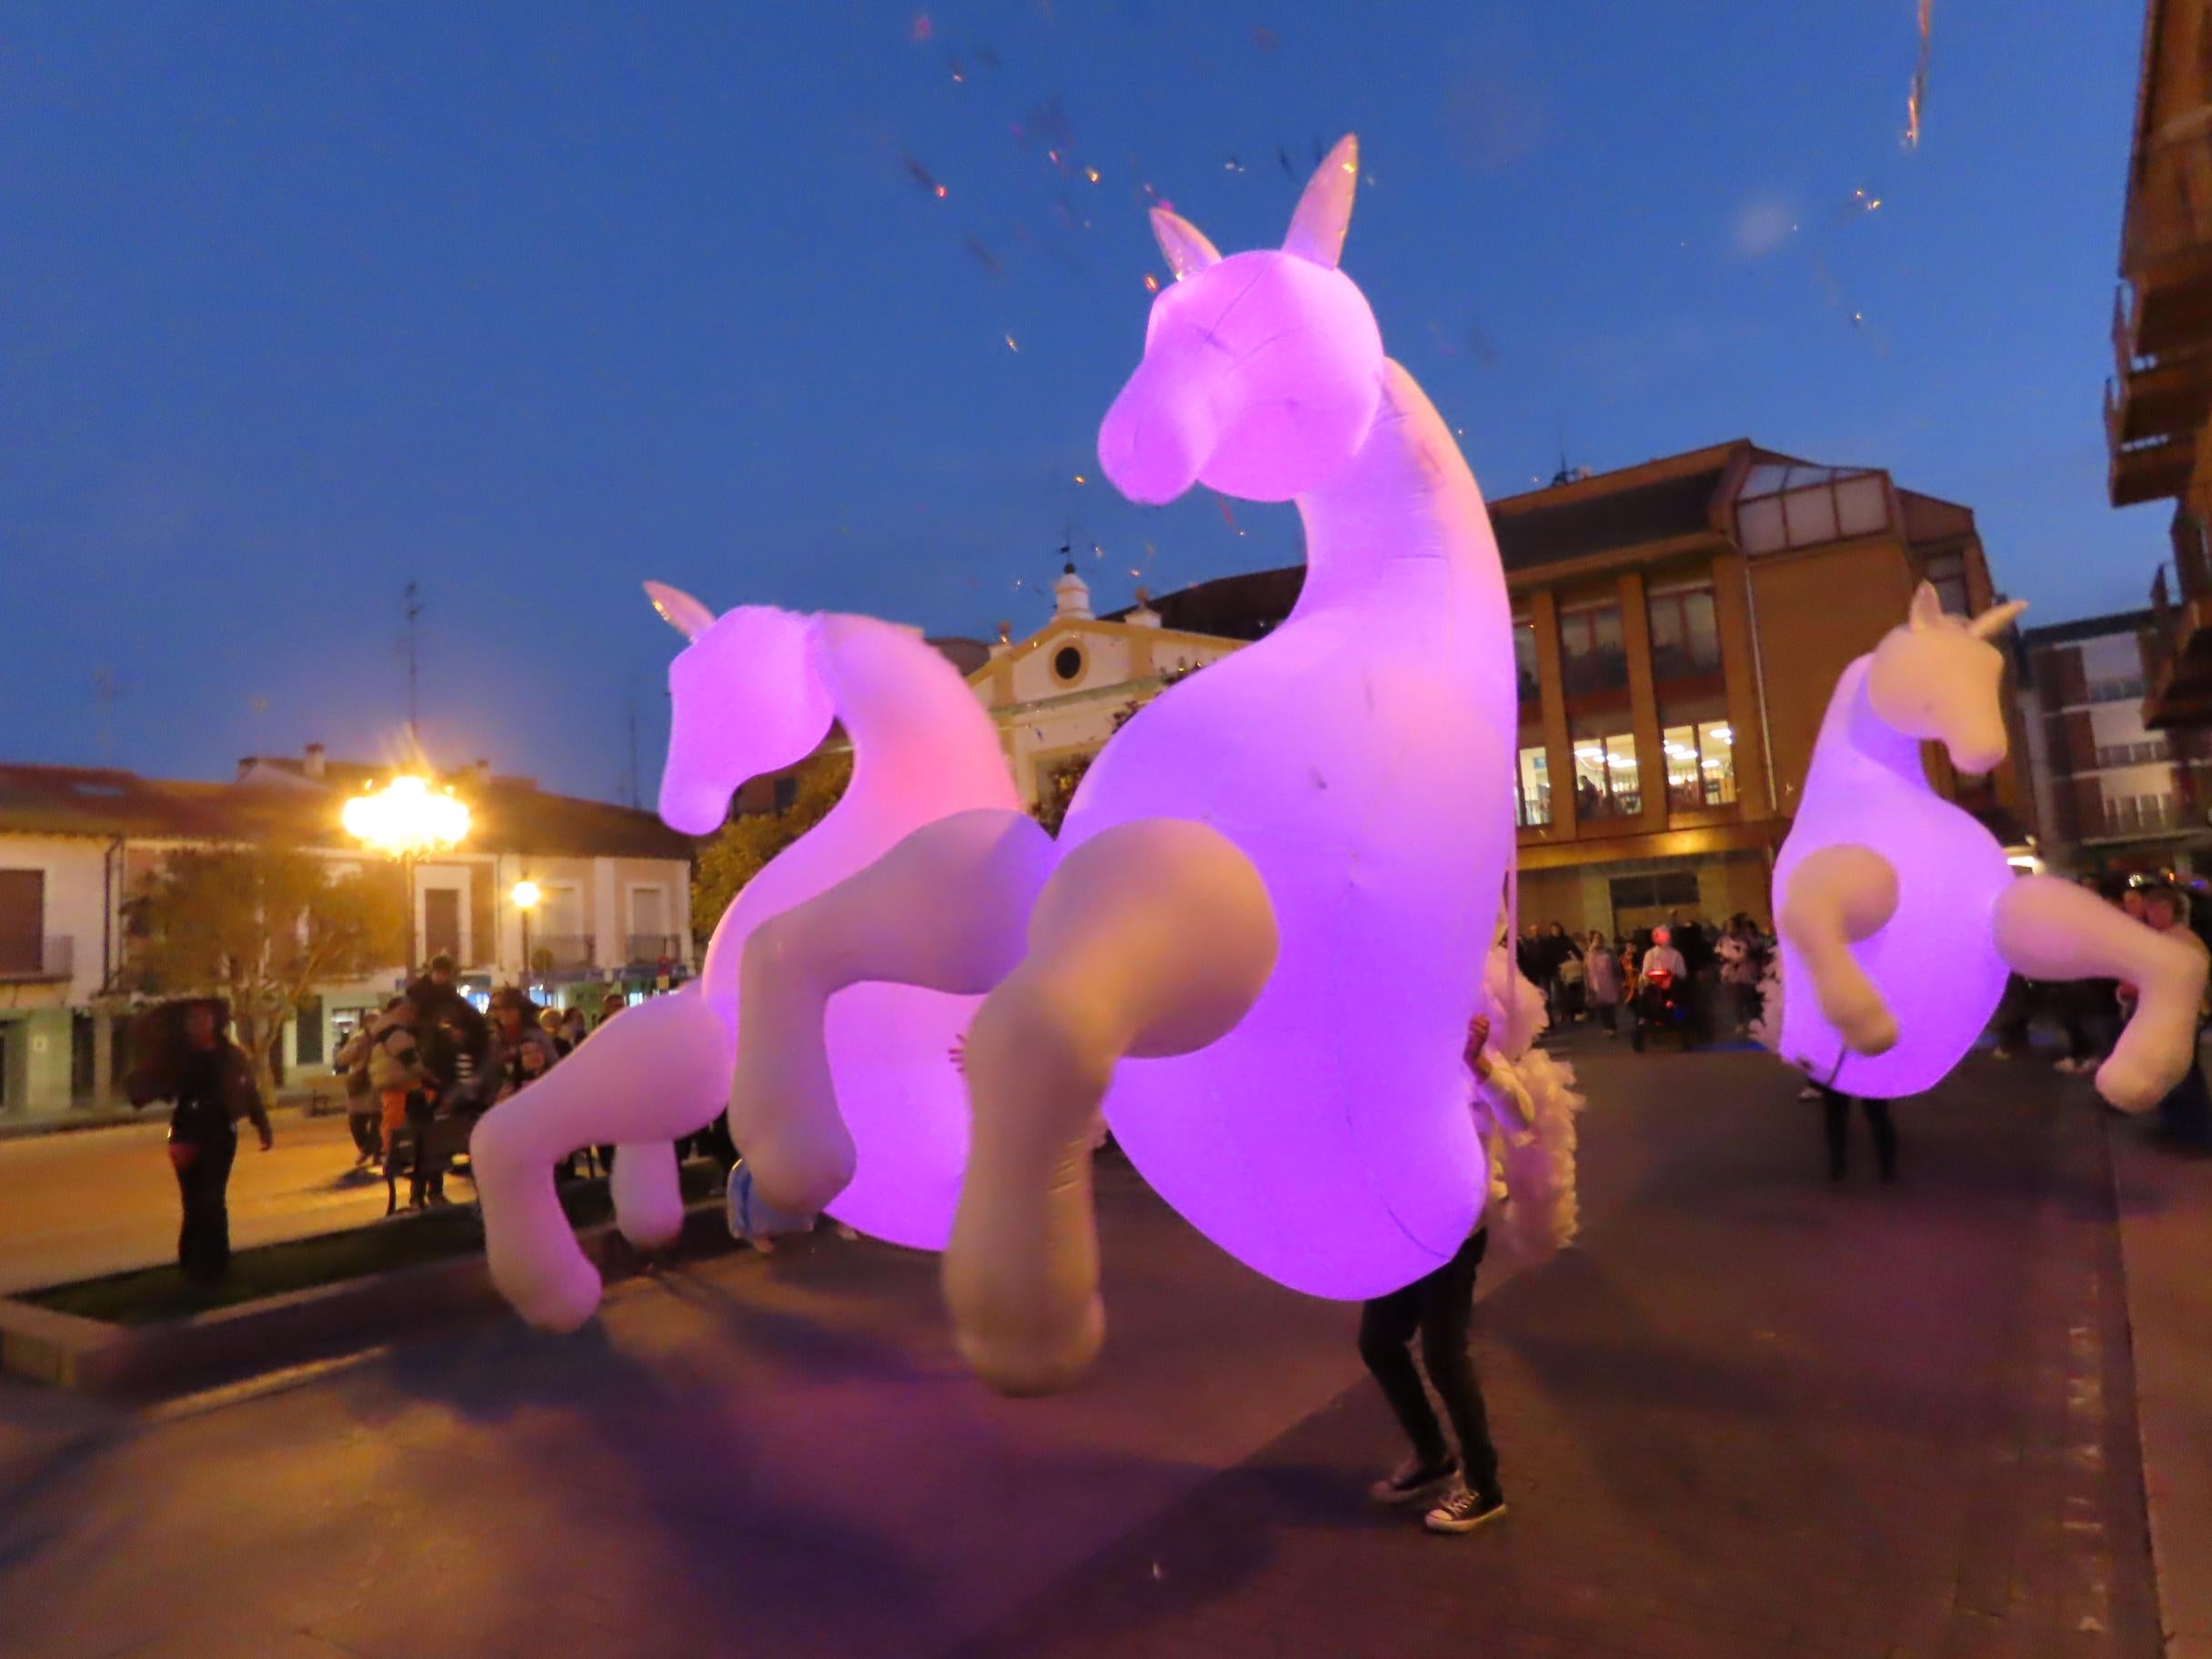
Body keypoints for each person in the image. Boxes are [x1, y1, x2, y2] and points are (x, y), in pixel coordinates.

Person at [1362, 1011, 1523, 1536]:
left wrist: (1478, 1065)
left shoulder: (1468, 1055)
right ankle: (1432, 1454)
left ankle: (1485, 1486)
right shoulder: (1392, 1058)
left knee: (1442, 1354)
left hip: (1456, 1227)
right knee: (1379, 1341)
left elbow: (1522, 1117)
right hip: (1403, 1228)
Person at [126, 999, 273, 1282]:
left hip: (220, 1131)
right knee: (193, 1201)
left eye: (203, 1017)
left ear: (215, 1020)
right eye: (192, 1019)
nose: (197, 1024)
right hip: (186, 1130)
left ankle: (216, 1263)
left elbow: (248, 1089)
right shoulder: (176, 1055)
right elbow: (145, 1082)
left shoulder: (229, 1055)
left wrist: (262, 1124)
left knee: (213, 1197)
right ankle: (192, 1264)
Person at [2127, 886, 2211, 1153]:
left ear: (2172, 910)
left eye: (2158, 908)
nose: (2152, 914)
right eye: (2150, 909)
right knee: (2172, 1074)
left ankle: (2197, 1136)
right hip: (2171, 1016)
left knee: (2184, 1075)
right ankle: (2179, 1127)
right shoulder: (2167, 937)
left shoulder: (2181, 940)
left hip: (2183, 1017)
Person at [1816, 1082, 1897, 1184]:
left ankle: (1837, 1165)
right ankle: (1888, 1166)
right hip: (1870, 1072)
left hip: (1839, 1070)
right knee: (1878, 1115)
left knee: (1836, 1114)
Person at [1584, 930, 1623, 1037]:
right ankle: (1606, 1027)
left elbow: (1616, 966)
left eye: (1599, 938)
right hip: (1596, 983)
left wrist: (1619, 980)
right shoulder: (1589, 954)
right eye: (1595, 938)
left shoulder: (1609, 952)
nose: (1598, 940)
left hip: (1609, 981)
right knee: (1601, 1006)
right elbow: (1586, 970)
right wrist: (1587, 986)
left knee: (1610, 1005)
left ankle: (1612, 1026)